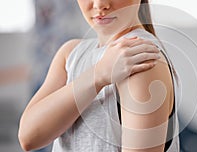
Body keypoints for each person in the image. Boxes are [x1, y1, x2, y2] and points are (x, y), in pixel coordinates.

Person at [18, 0, 180, 151]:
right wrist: (98, 75)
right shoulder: (71, 54)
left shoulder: (140, 58)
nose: (99, 4)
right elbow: (28, 137)